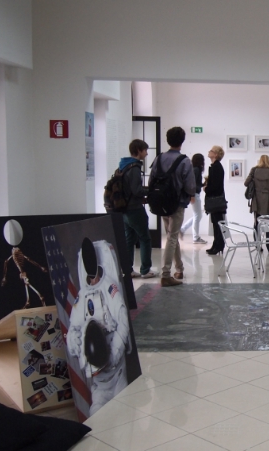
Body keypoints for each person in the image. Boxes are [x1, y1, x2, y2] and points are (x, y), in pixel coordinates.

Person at [68, 238, 130, 415]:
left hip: (116, 371)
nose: (93, 278)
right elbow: (73, 327)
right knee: (96, 413)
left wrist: (114, 353)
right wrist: (74, 341)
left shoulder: (110, 288)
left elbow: (123, 321)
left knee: (124, 413)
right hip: (98, 379)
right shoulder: (82, 295)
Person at [150, 127, 195, 286]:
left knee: (171, 235)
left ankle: (179, 269)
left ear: (167, 139)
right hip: (177, 204)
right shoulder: (185, 161)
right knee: (172, 236)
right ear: (182, 141)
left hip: (161, 202)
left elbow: (151, 180)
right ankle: (165, 274)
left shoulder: (158, 158)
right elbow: (190, 187)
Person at [121, 139, 156, 279]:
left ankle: (128, 270)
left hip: (124, 208)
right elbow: (136, 190)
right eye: (145, 150)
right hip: (135, 209)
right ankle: (145, 270)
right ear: (138, 150)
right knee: (145, 238)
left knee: (129, 239)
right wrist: (151, 191)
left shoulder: (123, 165)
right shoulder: (134, 168)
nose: (146, 153)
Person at [244, 155, 269, 252]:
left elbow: (246, 183)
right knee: (268, 223)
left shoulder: (254, 170)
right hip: (267, 200)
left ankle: (258, 246)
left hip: (256, 200)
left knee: (256, 223)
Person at [180, 153, 207, 244]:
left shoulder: (194, 169)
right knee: (197, 215)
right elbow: (192, 183)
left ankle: (183, 229)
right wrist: (191, 195)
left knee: (197, 215)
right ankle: (195, 237)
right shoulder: (196, 170)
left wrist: (203, 184)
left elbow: (195, 183)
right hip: (194, 194)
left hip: (194, 194)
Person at [205, 146, 227, 255]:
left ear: (216, 154)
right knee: (215, 223)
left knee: (217, 223)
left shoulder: (216, 167)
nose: (209, 152)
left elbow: (216, 185)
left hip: (216, 200)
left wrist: (206, 189)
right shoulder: (214, 166)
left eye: (211, 151)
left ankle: (219, 245)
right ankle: (216, 244)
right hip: (216, 199)